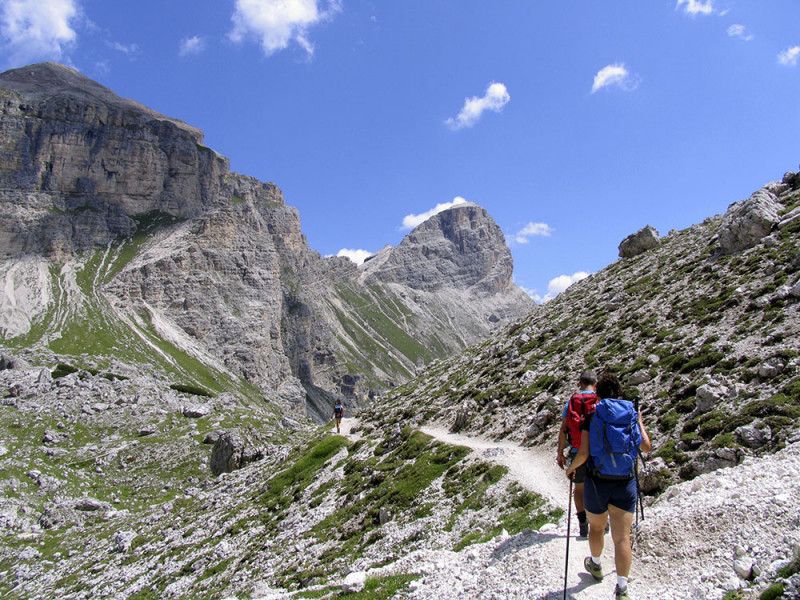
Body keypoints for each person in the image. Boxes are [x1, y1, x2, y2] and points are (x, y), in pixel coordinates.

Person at [565, 373, 651, 600]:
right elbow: (646, 447)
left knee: (596, 528)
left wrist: (570, 469)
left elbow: (583, 453)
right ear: (620, 392)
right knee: (622, 538)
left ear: (599, 394)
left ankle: (595, 564)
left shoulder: (592, 417)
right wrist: (640, 422)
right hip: (625, 483)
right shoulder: (631, 415)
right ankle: (622, 588)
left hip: (597, 482)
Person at [557, 370, 598, 537]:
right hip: (597, 451)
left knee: (579, 488)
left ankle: (582, 522)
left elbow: (564, 429)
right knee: (599, 486)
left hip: (576, 450)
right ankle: (603, 521)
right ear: (595, 384)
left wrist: (560, 453)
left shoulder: (572, 401)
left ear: (580, 383)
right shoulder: (599, 400)